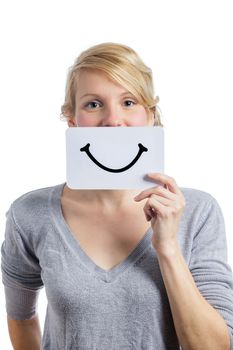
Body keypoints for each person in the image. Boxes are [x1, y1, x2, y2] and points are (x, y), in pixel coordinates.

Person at [1, 42, 233, 350]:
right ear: (73, 120)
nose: (113, 121)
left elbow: (215, 347)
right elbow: (20, 317)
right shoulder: (30, 214)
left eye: (128, 102)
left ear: (150, 116)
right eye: (93, 104)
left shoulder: (198, 212)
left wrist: (168, 248)